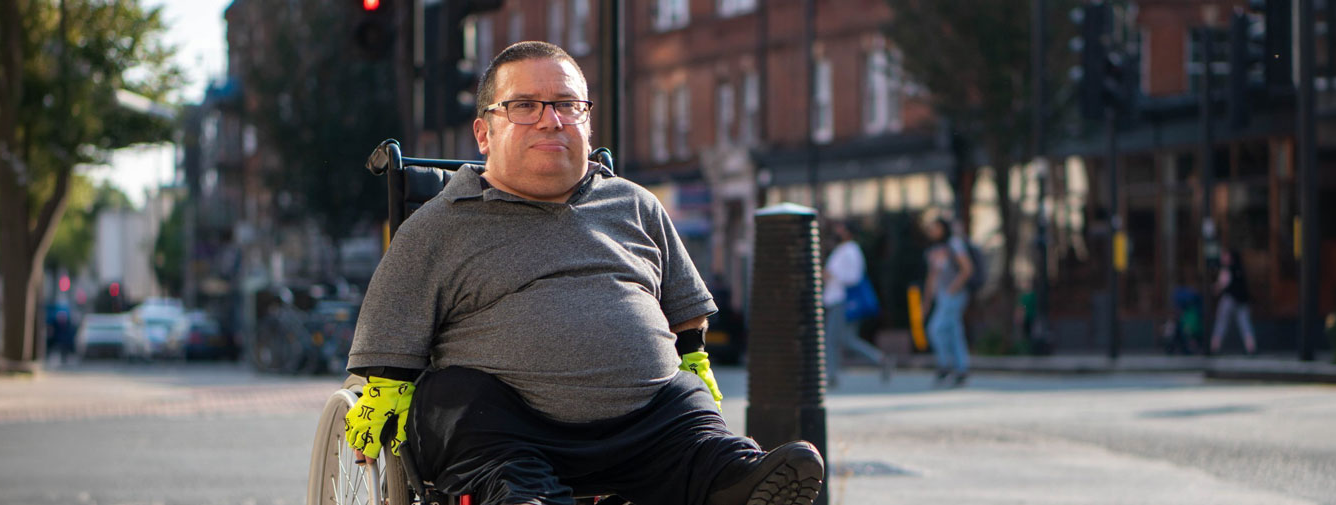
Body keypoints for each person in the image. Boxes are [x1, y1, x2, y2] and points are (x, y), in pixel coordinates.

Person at [344, 42, 823, 505]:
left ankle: (733, 475)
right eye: (524, 106)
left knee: (688, 401)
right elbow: (390, 330)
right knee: (456, 397)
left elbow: (686, 313)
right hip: (508, 432)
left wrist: (694, 360)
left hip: (649, 429)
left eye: (567, 105)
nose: (550, 120)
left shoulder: (634, 204)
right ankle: (525, 498)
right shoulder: (439, 223)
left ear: (587, 124)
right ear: (484, 133)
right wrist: (384, 391)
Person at [821, 219, 890, 386]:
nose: (837, 231)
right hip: (835, 299)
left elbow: (854, 277)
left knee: (833, 339)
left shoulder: (851, 250)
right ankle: (880, 359)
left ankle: (831, 375)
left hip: (842, 300)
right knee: (845, 339)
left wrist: (832, 275)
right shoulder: (842, 249)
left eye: (841, 228)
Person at [919, 210, 973, 386]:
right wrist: (927, 301)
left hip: (954, 295)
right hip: (941, 295)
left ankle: (945, 365)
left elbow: (967, 269)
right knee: (954, 332)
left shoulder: (954, 244)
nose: (932, 231)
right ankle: (961, 368)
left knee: (936, 329)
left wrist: (952, 289)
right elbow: (931, 277)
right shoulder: (933, 249)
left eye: (935, 227)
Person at [1209, 248, 1257, 356]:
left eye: (1225, 256)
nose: (1222, 258)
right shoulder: (1240, 268)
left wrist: (1214, 289)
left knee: (1222, 322)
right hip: (1242, 300)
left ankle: (1214, 346)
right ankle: (1251, 347)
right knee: (1245, 324)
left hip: (1230, 299)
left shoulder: (1228, 269)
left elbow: (1221, 284)